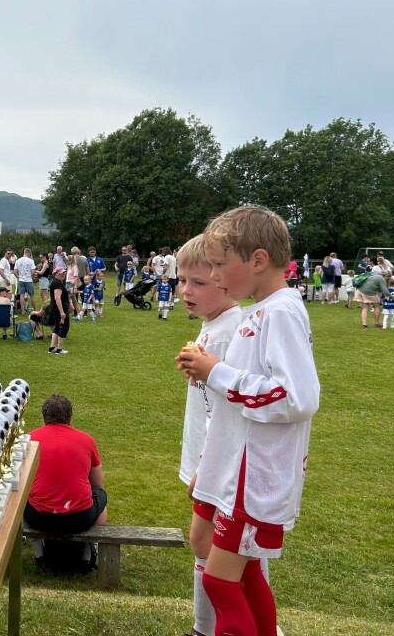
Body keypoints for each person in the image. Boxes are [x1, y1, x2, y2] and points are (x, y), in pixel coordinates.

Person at [177, 205, 320, 636]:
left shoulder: (280, 312)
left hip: (252, 476)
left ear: (258, 260)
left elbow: (298, 396)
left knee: (221, 582)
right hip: (233, 470)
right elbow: (238, 398)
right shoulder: (262, 311)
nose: (216, 276)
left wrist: (215, 372)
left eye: (221, 265)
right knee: (244, 574)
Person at [174, 234, 242, 636]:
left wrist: (206, 466)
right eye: (182, 280)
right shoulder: (213, 326)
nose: (185, 290)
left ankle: (209, 627)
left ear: (224, 278)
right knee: (216, 549)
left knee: (228, 552)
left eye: (198, 283)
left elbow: (228, 411)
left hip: (220, 466)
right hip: (212, 461)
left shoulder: (225, 332)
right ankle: (206, 626)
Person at [25, 394, 107, 557]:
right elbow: (98, 482)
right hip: (79, 518)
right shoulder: (86, 439)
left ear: (44, 418)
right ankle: (91, 547)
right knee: (101, 495)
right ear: (70, 417)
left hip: (38, 517)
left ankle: (38, 550)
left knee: (20, 497)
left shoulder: (29, 438)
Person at [47, 264, 71, 355]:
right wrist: (62, 312)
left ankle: (52, 347)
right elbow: (57, 298)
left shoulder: (55, 282)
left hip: (55, 308)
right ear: (56, 274)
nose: (63, 275)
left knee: (57, 326)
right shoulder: (57, 283)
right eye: (61, 273)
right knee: (64, 327)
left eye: (64, 273)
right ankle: (59, 349)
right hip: (59, 308)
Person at [14, 247, 36, 313]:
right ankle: (35, 310)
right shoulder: (31, 261)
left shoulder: (18, 260)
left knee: (21, 295)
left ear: (24, 252)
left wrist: (18, 277)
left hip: (21, 279)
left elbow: (15, 271)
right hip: (29, 280)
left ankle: (23, 310)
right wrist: (32, 278)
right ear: (29, 253)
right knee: (32, 295)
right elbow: (33, 271)